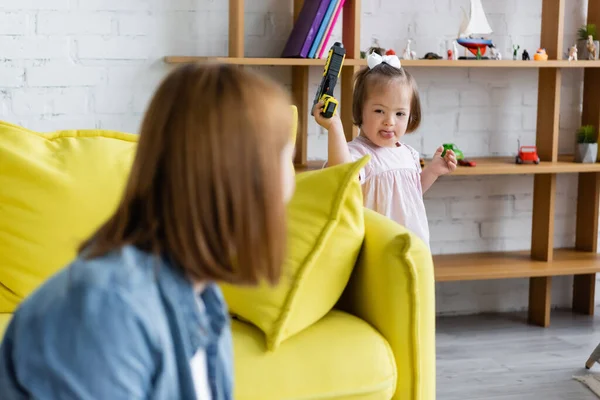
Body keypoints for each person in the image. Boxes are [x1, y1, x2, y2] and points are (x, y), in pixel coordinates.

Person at [0, 63, 296, 399]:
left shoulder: (205, 300)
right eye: (285, 157)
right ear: (239, 177)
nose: (291, 185)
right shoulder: (107, 312)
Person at [313, 52, 456, 247]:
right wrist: (334, 127)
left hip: (413, 248)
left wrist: (433, 171)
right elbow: (341, 176)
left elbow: (409, 196)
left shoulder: (409, 154)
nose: (389, 121)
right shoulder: (358, 154)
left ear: (411, 116)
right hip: (376, 251)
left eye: (399, 113)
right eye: (379, 111)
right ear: (359, 111)